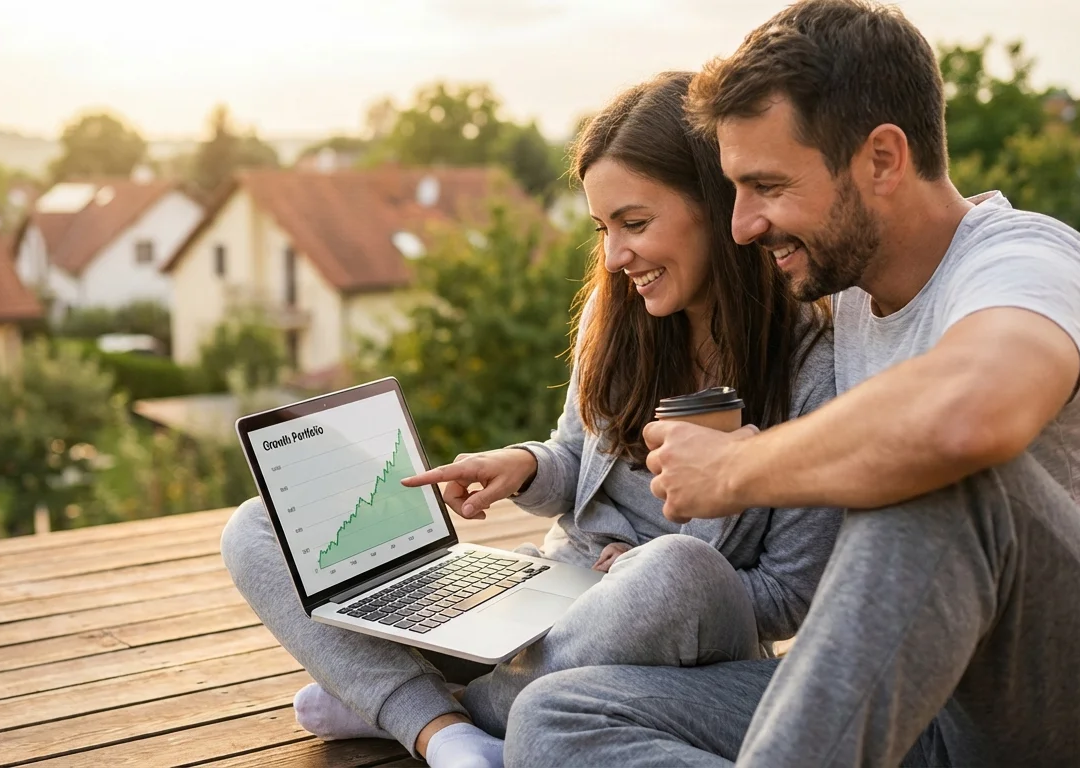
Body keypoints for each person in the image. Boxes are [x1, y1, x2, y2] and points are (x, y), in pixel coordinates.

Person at [504, 2, 1080, 766]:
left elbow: (968, 416)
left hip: (1069, 701)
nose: (742, 225)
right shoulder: (849, 298)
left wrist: (734, 468)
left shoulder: (1029, 262)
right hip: (916, 701)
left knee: (945, 478)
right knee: (556, 717)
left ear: (883, 159)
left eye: (766, 185)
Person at [220, 71, 841, 768]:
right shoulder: (622, 321)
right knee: (256, 528)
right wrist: (523, 466)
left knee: (677, 568)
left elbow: (786, 596)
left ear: (718, 206)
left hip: (674, 626)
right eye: (603, 229)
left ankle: (405, 704)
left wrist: (634, 578)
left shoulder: (812, 365)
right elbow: (573, 460)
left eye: (635, 224)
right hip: (552, 592)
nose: (614, 256)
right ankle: (446, 735)